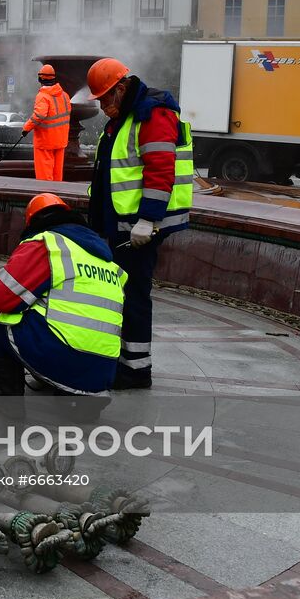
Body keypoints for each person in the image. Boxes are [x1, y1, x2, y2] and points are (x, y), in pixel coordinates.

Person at [86, 57, 194, 390]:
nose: (103, 106)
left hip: (139, 227)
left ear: (121, 88)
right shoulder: (126, 117)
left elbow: (161, 170)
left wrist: (148, 219)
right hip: (122, 224)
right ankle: (124, 359)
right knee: (122, 293)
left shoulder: (152, 113)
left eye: (106, 98)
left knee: (133, 294)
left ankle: (136, 369)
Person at [0, 193, 126, 397]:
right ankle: (58, 384)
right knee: (50, 307)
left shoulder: (47, 244)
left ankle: (10, 394)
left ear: (33, 223)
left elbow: (0, 295)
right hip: (103, 373)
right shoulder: (106, 261)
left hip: (65, 360)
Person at [23, 63, 72, 181]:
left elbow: (39, 115)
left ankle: (46, 197)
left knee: (44, 177)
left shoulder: (43, 96)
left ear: (40, 78)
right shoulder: (65, 95)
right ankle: (56, 196)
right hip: (60, 140)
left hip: (45, 141)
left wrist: (26, 128)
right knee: (57, 175)